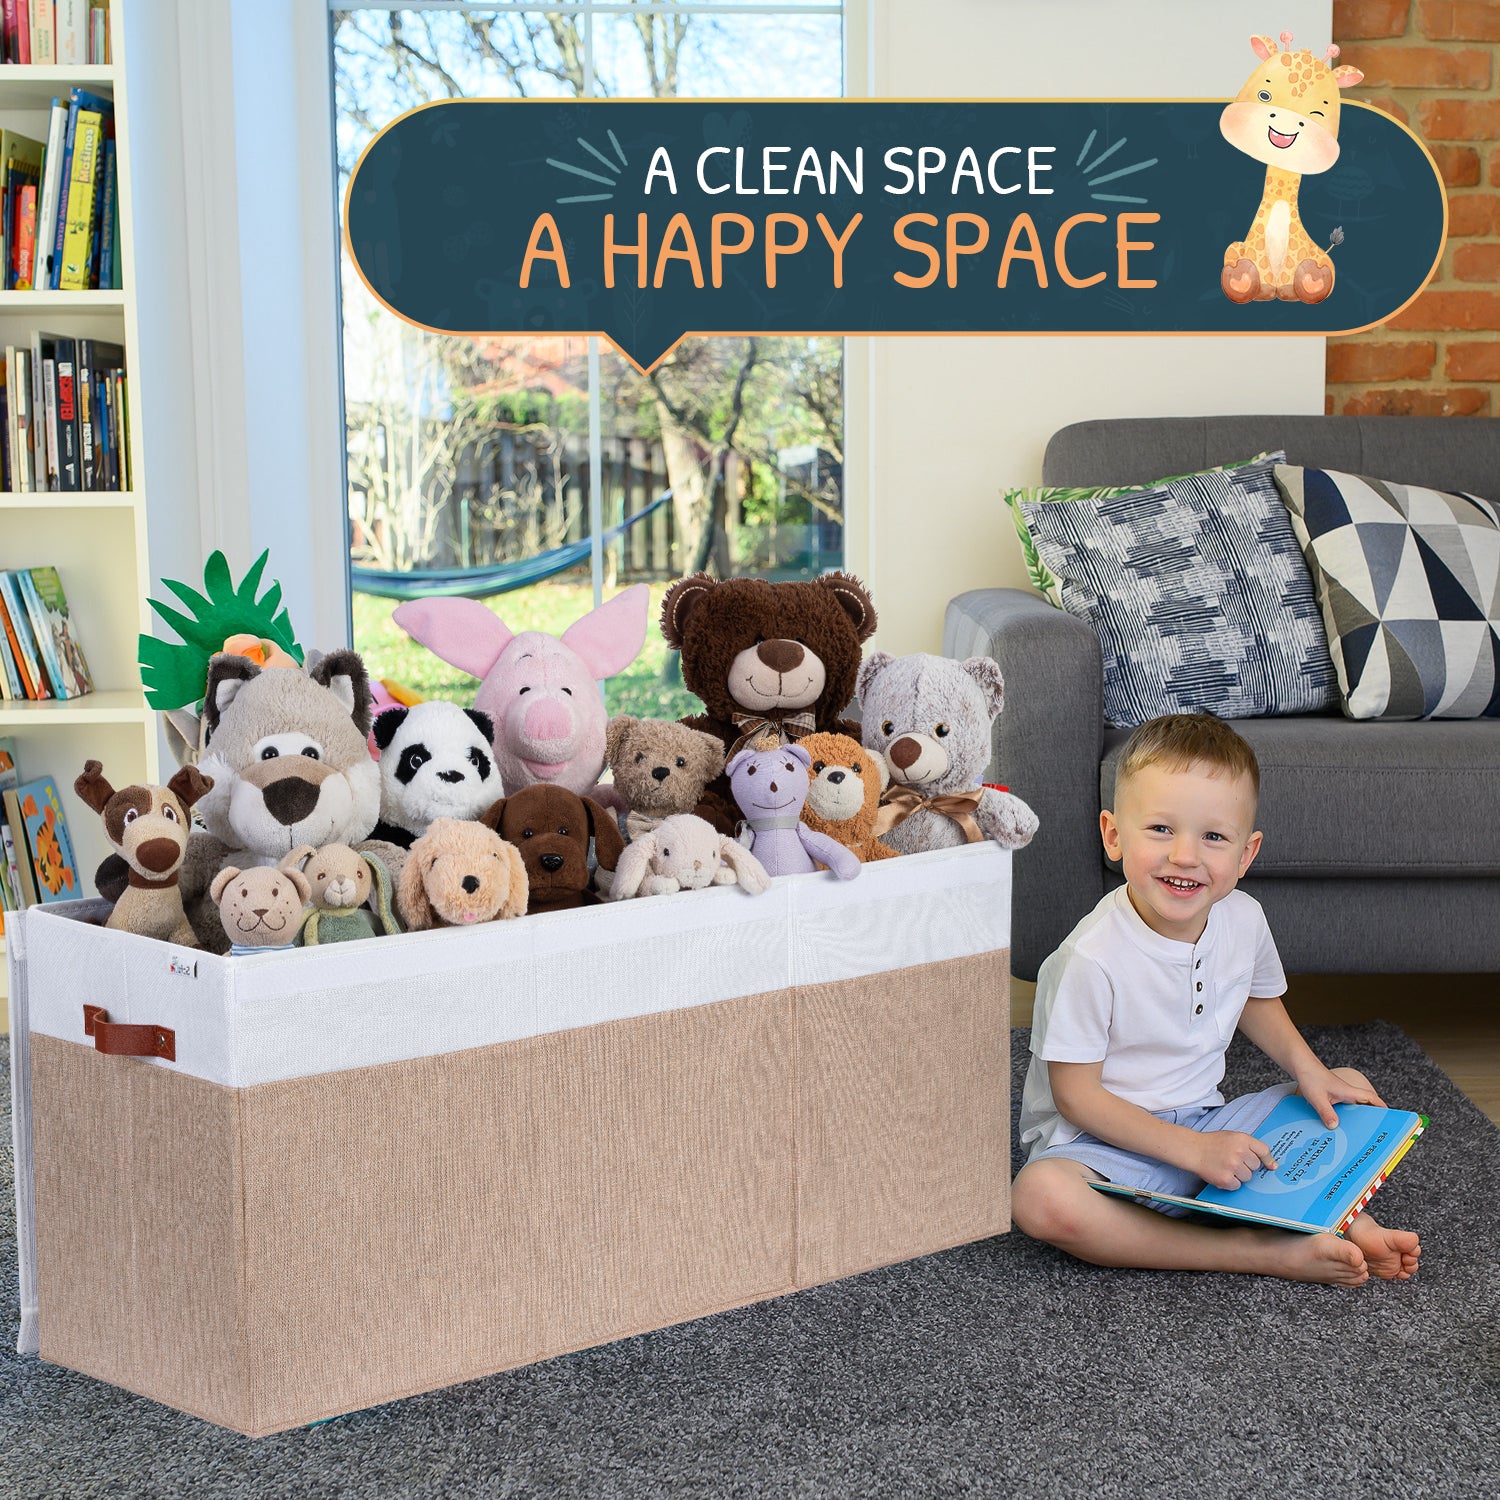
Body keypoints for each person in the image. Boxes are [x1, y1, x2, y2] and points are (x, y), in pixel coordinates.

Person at [1011, 713, 1421, 1286]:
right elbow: (1077, 1098)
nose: (1185, 855)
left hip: (1208, 1122)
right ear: (1114, 835)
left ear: (1246, 854)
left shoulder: (1244, 918)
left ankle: (1348, 1221)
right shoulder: (1090, 958)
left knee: (1348, 1090)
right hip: (1105, 1147)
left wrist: (1311, 1071)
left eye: (1213, 837)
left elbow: (1256, 999)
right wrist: (1194, 1153)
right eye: (1160, 829)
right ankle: (1251, 1249)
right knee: (1040, 1199)